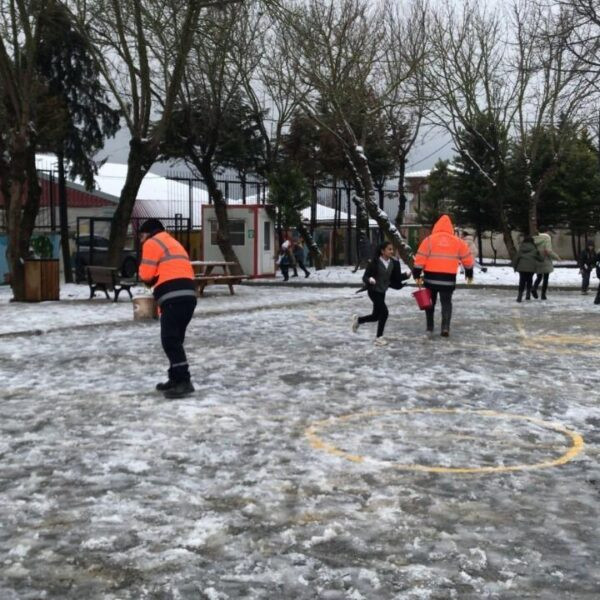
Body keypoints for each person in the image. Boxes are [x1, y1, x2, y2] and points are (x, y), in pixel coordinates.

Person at [138, 219, 197, 399]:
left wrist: (146, 277)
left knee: (170, 340)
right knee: (176, 339)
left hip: (173, 295)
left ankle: (184, 381)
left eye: (141, 236)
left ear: (148, 233)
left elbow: (146, 274)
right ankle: (175, 378)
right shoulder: (172, 242)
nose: (141, 241)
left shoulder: (151, 243)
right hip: (188, 294)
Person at [412, 214, 474, 337]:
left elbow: (420, 258)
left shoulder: (429, 240)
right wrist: (469, 272)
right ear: (450, 227)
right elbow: (467, 259)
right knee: (446, 303)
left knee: (430, 303)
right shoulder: (458, 242)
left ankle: (430, 327)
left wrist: (417, 273)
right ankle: (445, 327)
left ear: (436, 226)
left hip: (430, 279)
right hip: (448, 279)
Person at [351, 241, 411, 346]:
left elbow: (395, 278)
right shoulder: (374, 262)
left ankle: (359, 320)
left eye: (392, 249)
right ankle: (379, 338)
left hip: (382, 291)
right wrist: (369, 279)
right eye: (389, 249)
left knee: (375, 316)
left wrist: (406, 275)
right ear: (382, 251)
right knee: (384, 312)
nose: (391, 251)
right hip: (373, 291)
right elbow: (365, 276)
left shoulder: (394, 263)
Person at [532, 227, 560, 300]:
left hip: (537, 259)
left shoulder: (534, 238)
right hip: (545, 259)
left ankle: (534, 288)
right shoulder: (546, 238)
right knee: (546, 278)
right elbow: (548, 251)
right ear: (546, 231)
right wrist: (557, 257)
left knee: (539, 277)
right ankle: (543, 295)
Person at [513, 236, 543, 302]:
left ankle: (519, 297)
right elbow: (541, 259)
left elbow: (516, 259)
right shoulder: (534, 249)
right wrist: (539, 254)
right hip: (531, 268)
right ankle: (528, 295)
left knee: (522, 281)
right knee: (529, 280)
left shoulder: (521, 248)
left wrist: (515, 267)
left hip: (521, 268)